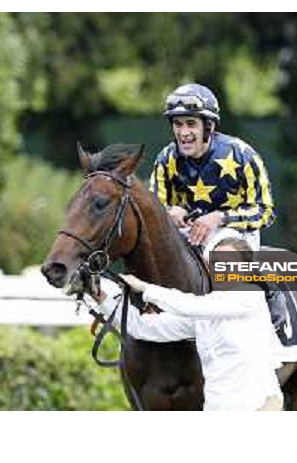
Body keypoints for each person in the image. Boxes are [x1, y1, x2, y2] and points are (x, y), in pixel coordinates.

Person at [87, 238, 284, 412]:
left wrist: (146, 288)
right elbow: (141, 327)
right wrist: (100, 297)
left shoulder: (250, 295)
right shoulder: (204, 312)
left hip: (261, 409)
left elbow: (188, 305)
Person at [148, 82, 285, 326]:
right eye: (178, 124)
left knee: (221, 257)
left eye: (191, 124)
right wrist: (169, 212)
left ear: (208, 127)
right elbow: (152, 210)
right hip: (187, 233)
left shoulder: (243, 155)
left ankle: (269, 294)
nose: (183, 132)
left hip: (234, 234)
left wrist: (219, 218)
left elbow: (265, 212)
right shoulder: (166, 158)